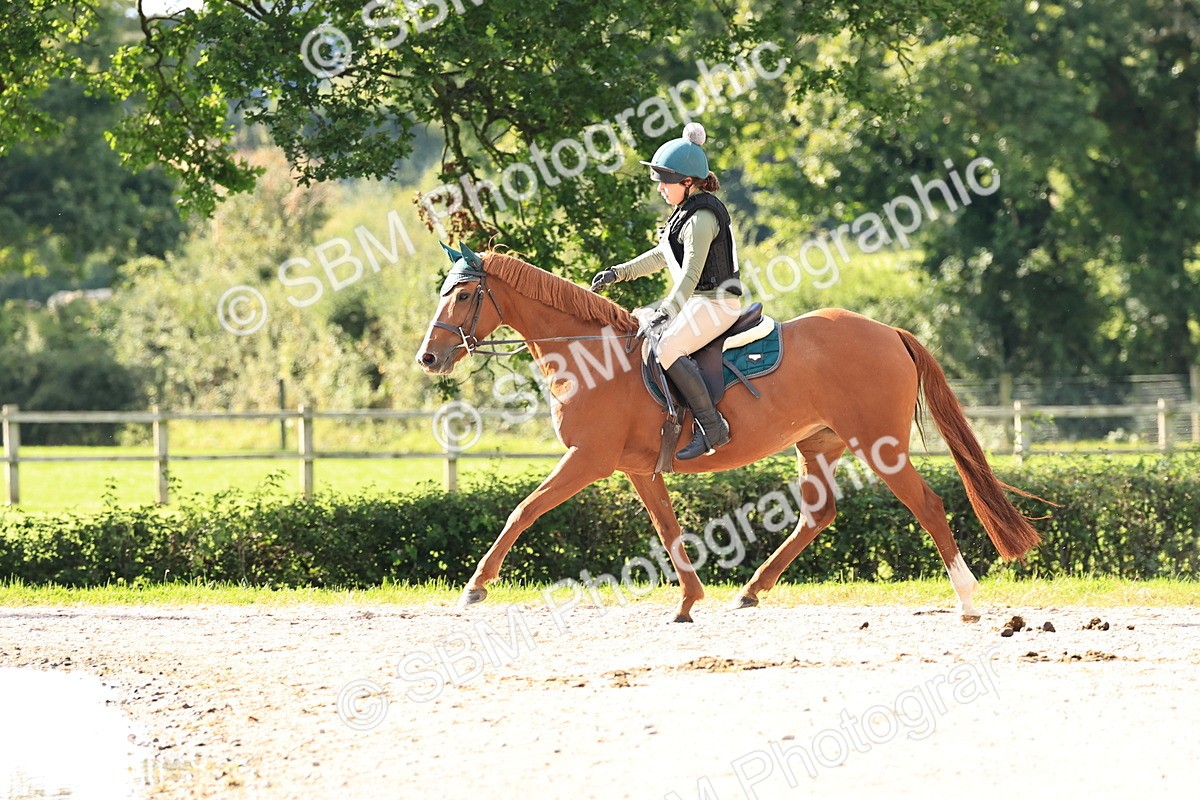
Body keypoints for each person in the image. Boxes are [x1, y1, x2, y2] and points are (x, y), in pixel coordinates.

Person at [591, 122, 743, 460]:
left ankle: (713, 426)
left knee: (667, 349)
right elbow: (664, 255)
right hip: (699, 302)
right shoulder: (684, 213)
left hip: (717, 303)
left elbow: (689, 274)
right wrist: (619, 273)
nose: (660, 188)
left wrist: (669, 309)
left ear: (688, 182)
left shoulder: (702, 217)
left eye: (665, 181)